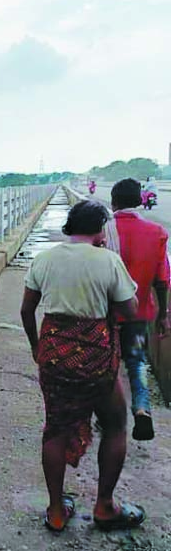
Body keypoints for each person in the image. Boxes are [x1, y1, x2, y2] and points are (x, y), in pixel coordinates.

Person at [21, 200, 145, 533]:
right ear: (100, 229)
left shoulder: (45, 258)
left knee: (56, 429)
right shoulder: (108, 260)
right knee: (116, 424)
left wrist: (37, 347)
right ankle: (105, 506)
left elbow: (26, 310)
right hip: (96, 362)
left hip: (55, 358)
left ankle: (57, 510)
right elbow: (130, 310)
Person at [104, 178, 169, 440]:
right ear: (141, 201)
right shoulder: (156, 232)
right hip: (139, 313)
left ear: (114, 202)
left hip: (106, 314)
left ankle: (110, 416)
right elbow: (163, 280)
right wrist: (163, 315)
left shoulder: (104, 229)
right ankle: (142, 408)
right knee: (137, 363)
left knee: (108, 365)